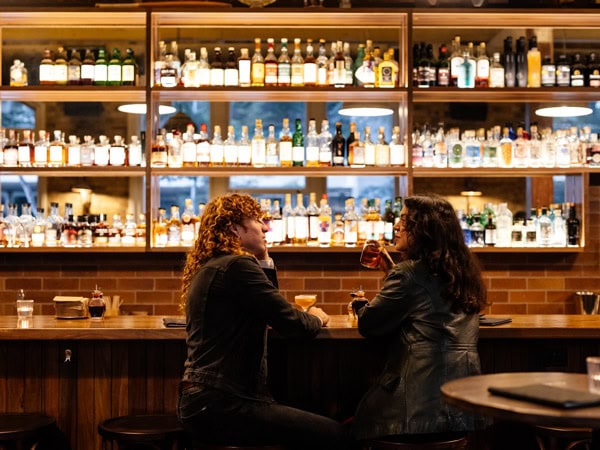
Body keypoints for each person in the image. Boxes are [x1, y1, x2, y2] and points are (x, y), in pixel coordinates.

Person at [177, 192, 349, 450]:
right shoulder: (237, 266)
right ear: (234, 228)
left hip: (206, 399)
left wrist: (265, 257)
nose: (265, 226)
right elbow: (291, 323)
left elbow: (267, 310)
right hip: (223, 403)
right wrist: (316, 317)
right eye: (257, 220)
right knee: (335, 435)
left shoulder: (216, 265)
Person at [352, 193, 487, 444]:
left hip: (413, 410)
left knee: (345, 428)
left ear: (424, 229)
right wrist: (392, 272)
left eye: (404, 220)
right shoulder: (462, 271)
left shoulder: (408, 274)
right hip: (463, 408)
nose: (396, 226)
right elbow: (430, 308)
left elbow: (370, 325)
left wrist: (359, 304)